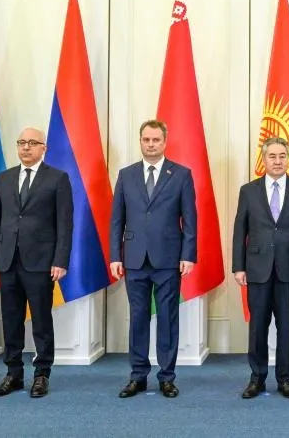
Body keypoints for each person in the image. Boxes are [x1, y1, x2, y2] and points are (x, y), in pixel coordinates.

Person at [0, 127, 72, 398]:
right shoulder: (5, 178)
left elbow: (64, 223)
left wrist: (60, 260)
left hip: (41, 262)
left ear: (44, 148)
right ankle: (13, 374)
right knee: (11, 319)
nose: (26, 147)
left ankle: (42, 374)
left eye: (32, 143)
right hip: (7, 260)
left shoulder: (57, 178)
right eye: (21, 142)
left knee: (41, 320)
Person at [110, 120, 197, 399]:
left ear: (164, 142)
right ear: (140, 141)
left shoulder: (181, 175)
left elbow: (190, 220)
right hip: (134, 259)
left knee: (168, 319)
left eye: (156, 140)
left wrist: (188, 255)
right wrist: (115, 256)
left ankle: (167, 377)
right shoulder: (126, 175)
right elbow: (116, 219)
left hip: (168, 259)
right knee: (138, 318)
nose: (151, 144)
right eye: (146, 139)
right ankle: (138, 376)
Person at [232, 137, 289, 399]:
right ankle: (256, 379)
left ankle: (285, 380)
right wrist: (238, 267)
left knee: (286, 327)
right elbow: (240, 231)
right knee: (258, 326)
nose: (277, 161)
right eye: (272, 156)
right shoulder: (249, 191)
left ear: (287, 158)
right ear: (264, 159)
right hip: (257, 269)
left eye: (282, 156)